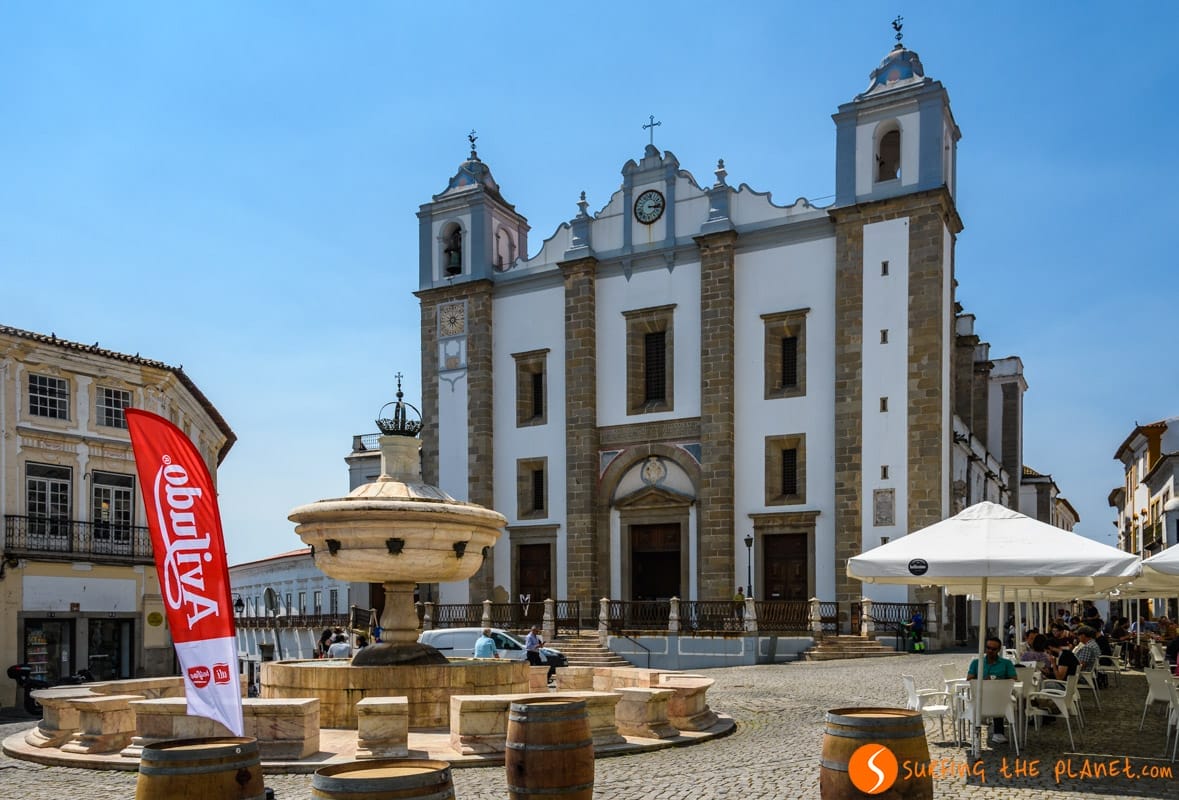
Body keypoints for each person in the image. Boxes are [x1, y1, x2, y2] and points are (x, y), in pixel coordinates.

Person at [966, 636, 1017, 744]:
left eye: (993, 649)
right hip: (980, 697)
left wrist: (998, 680)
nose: (990, 651)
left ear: (998, 650)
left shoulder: (1006, 663)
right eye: (988, 648)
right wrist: (983, 680)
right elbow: (969, 678)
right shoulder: (976, 662)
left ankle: (998, 732)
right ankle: (978, 732)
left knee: (998, 698)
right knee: (995, 699)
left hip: (998, 697)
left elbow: (1014, 679)